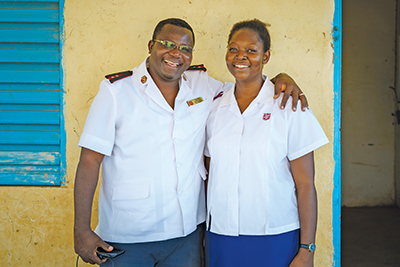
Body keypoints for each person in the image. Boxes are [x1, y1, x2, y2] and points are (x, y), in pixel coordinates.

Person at [74, 18, 307, 266]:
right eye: (167, 44)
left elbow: (248, 83)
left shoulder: (202, 85)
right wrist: (81, 231)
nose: (176, 54)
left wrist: (282, 78)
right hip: (128, 235)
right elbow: (90, 159)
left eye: (185, 49)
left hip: (185, 235)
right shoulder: (116, 91)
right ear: (151, 45)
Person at [204, 19, 329, 267]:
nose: (241, 57)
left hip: (276, 236)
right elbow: (208, 175)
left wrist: (307, 249)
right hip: (221, 236)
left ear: (266, 56)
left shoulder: (290, 106)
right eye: (233, 49)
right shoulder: (214, 107)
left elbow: (305, 184)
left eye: (252, 50)